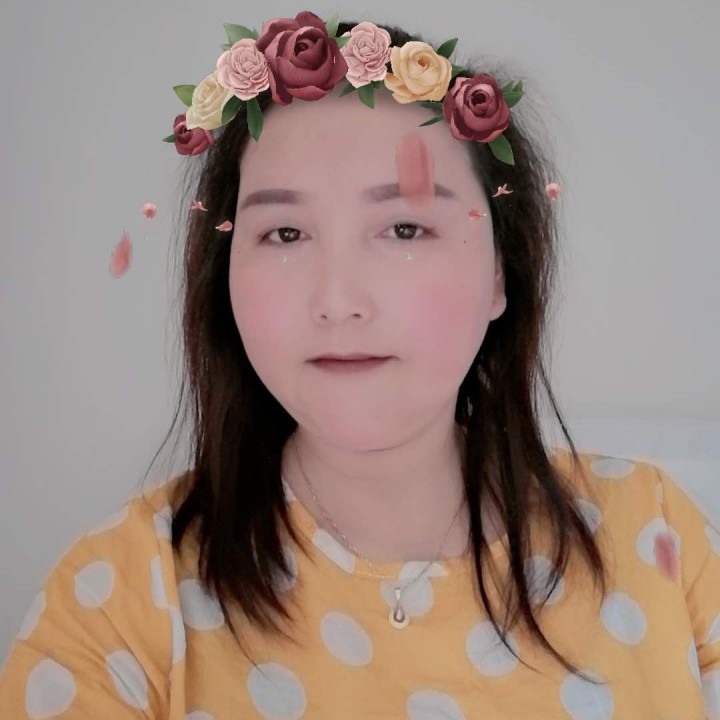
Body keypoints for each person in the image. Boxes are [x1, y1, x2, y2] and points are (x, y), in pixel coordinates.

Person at [2, 11, 719, 719]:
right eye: (285, 233)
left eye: (405, 228)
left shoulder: (660, 537)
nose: (338, 301)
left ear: (501, 272)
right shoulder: (117, 601)